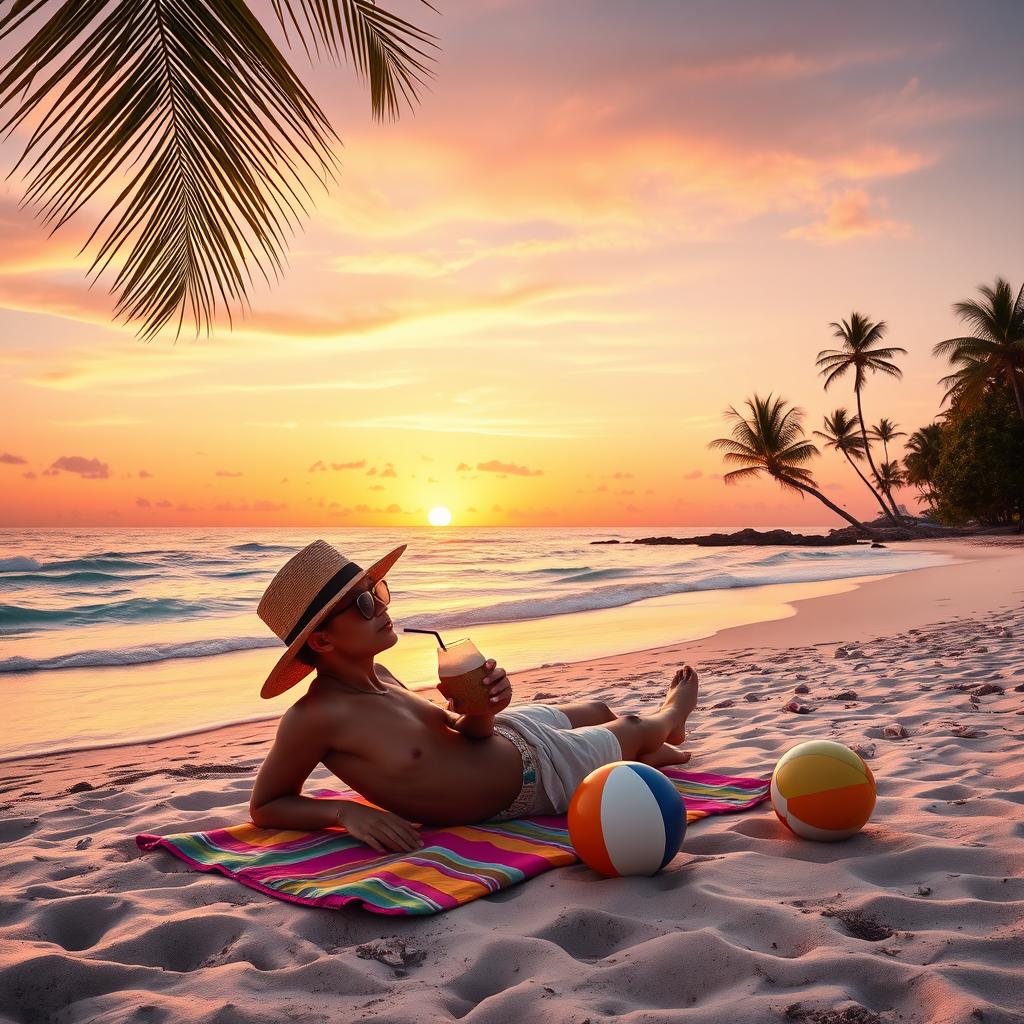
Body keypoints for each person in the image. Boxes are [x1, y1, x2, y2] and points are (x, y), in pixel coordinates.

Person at [248, 539, 698, 854]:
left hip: (508, 736)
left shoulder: (383, 675)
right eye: (365, 606)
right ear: (323, 641)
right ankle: (672, 716)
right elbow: (266, 805)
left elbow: (467, 735)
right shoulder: (314, 717)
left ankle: (649, 752)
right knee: (635, 725)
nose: (383, 606)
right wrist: (346, 814)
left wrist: (481, 707)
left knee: (599, 709)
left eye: (378, 592)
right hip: (535, 778)